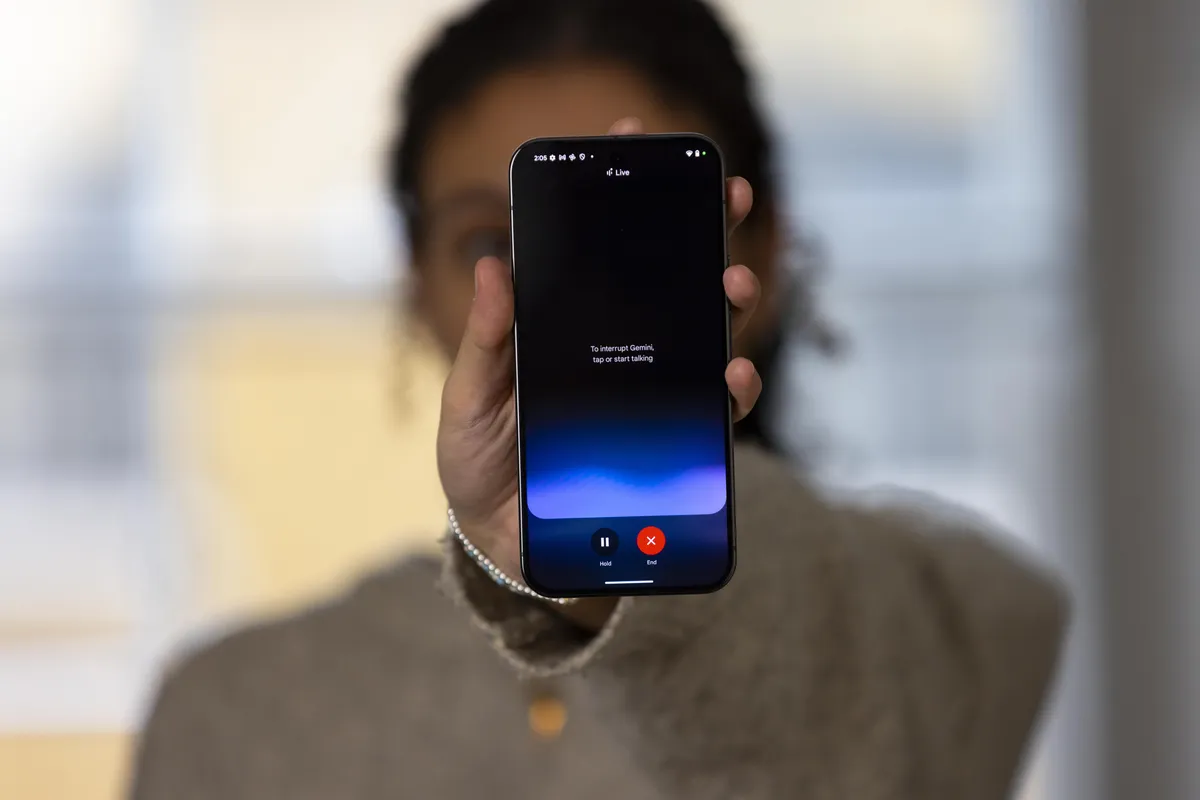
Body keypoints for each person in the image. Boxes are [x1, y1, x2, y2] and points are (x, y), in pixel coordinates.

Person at [129, 1, 1067, 798]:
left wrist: (597, 583)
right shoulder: (234, 712)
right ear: (414, 288)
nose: (552, 294)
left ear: (761, 254)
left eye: (620, 237)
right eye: (480, 244)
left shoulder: (961, 621)